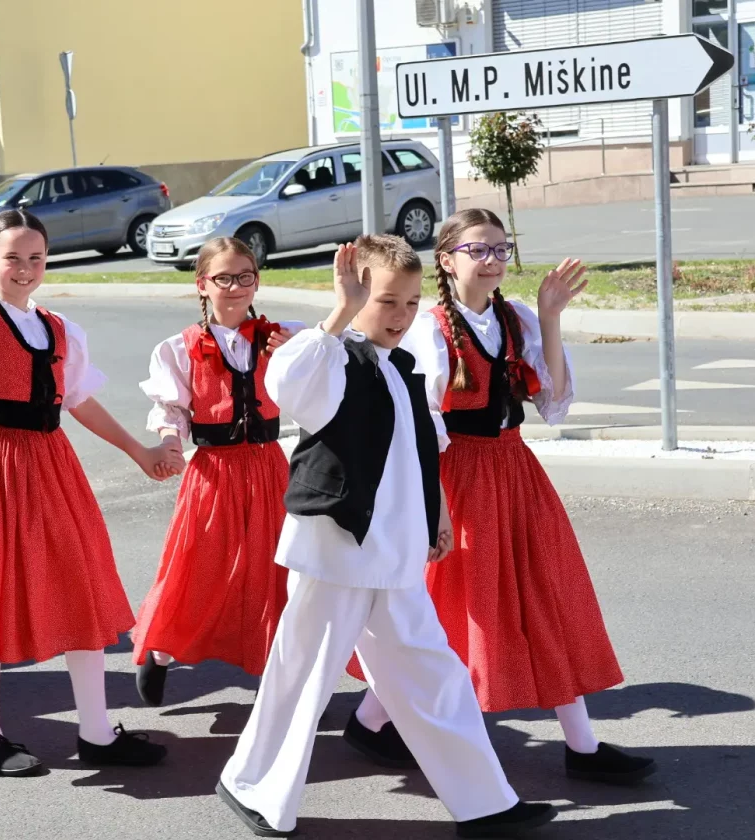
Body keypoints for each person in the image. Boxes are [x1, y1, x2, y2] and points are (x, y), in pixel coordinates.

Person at [216, 237, 556, 838]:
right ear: (358, 295)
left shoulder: (402, 369)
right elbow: (287, 384)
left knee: (436, 675)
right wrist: (341, 309)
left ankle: (485, 805)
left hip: (394, 556)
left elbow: (420, 451)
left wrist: (435, 515)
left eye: (411, 302)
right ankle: (252, 786)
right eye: (387, 301)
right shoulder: (333, 358)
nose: (401, 315)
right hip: (337, 553)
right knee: (304, 676)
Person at [346, 209, 655, 785]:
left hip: (515, 469)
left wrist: (552, 317)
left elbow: (554, 405)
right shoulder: (430, 329)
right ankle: (371, 717)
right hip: (458, 475)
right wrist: (435, 505)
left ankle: (582, 746)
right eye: (478, 250)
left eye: (500, 249)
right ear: (447, 260)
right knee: (449, 609)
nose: (491, 260)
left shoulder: (517, 319)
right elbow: (423, 423)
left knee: (546, 597)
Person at [0, 206, 182, 776]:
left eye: (36, 258)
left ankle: (96, 732)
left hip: (48, 462)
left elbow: (78, 399)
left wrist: (139, 451)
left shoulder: (58, 326)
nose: (25, 268)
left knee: (80, 585)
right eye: (13, 257)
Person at [132, 237, 301, 706]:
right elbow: (172, 411)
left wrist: (298, 355)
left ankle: (277, 677)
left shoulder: (283, 338)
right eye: (223, 278)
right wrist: (170, 444)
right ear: (202, 284)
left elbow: (333, 357)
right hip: (214, 473)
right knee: (199, 569)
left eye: (244, 276)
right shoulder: (178, 348)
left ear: (257, 281)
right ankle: (161, 651)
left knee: (274, 570)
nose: (235, 287)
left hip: (268, 469)